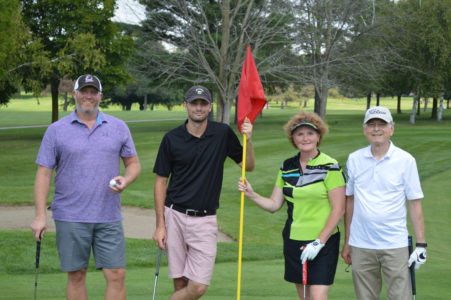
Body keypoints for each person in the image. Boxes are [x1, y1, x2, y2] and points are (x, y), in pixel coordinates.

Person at [31, 74, 141, 300]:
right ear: (74, 94)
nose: (88, 96)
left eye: (93, 92)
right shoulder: (56, 130)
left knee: (116, 274)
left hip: (108, 215)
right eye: (84, 91)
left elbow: (133, 163)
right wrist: (40, 216)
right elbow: (43, 174)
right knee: (77, 275)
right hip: (70, 216)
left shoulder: (119, 127)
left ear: (100, 96)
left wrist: (127, 180)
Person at [152, 85, 255, 300]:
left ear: (210, 107)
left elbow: (248, 165)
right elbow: (161, 182)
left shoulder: (222, 133)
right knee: (180, 281)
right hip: (175, 215)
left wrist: (249, 140)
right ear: (186, 106)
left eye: (203, 104)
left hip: (205, 218)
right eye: (194, 103)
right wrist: (160, 225)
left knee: (198, 287)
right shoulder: (171, 138)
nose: (198, 108)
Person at [238, 111, 346, 300]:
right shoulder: (287, 167)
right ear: (293, 138)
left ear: (318, 136)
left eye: (310, 133)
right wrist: (252, 194)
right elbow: (274, 204)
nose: (305, 138)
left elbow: (339, 209)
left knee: (318, 296)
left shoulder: (330, 166)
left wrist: (319, 241)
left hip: (324, 241)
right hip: (294, 240)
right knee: (304, 297)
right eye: (300, 134)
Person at [341, 106, 427, 300]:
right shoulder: (354, 158)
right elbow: (350, 201)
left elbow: (414, 203)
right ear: (365, 129)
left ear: (391, 129)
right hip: (361, 243)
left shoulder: (406, 160)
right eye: (372, 125)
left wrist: (421, 244)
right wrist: (347, 242)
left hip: (394, 243)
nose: (377, 129)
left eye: (382, 124)